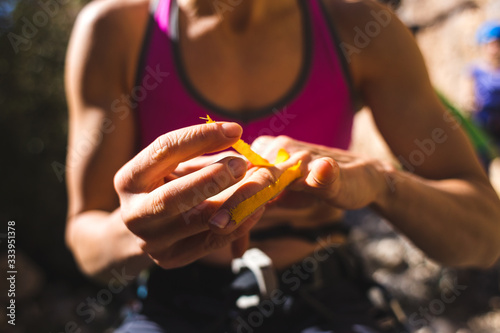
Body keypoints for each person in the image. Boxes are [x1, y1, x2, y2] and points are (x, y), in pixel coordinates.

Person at [64, 0, 500, 332]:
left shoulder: (362, 28)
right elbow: (87, 243)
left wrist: (382, 185)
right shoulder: (113, 31)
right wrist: (136, 230)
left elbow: (485, 236)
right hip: (170, 306)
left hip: (326, 297)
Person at [466, 20, 500, 165]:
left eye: (497, 43)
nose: (494, 49)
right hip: (483, 121)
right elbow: (468, 97)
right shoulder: (475, 70)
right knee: (482, 160)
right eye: (490, 44)